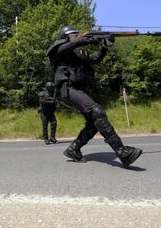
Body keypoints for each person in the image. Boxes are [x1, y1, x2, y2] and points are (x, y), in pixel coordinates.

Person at [46, 26, 142, 168]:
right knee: (97, 111)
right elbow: (70, 45)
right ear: (66, 37)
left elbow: (95, 60)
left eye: (79, 34)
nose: (78, 35)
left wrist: (105, 46)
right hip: (69, 88)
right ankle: (122, 152)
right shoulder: (59, 49)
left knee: (93, 123)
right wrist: (88, 39)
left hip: (81, 89)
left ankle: (73, 149)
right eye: (75, 34)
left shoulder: (79, 51)